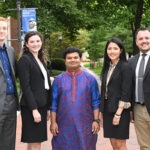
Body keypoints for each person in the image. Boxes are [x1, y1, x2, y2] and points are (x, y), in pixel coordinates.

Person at [50, 47, 101, 150]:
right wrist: (53, 122)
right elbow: (53, 104)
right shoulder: (58, 80)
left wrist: (96, 120)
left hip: (85, 123)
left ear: (80, 59)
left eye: (75, 57)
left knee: (86, 146)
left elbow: (96, 101)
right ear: (65, 60)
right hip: (63, 124)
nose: (72, 60)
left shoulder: (90, 79)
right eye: (69, 58)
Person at [17, 31, 51, 150]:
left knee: (34, 141)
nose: (35, 44)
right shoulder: (25, 60)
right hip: (32, 107)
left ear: (41, 42)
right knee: (36, 142)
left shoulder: (40, 60)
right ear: (26, 44)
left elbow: (45, 85)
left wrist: (47, 108)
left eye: (38, 41)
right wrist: (34, 110)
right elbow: (26, 87)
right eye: (32, 41)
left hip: (41, 105)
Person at [100, 38, 132, 150]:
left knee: (120, 144)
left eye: (115, 48)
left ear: (121, 50)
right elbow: (104, 90)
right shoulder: (107, 67)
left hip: (121, 111)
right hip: (108, 109)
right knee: (113, 143)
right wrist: (101, 111)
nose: (112, 51)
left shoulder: (125, 67)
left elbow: (126, 91)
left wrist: (118, 114)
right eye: (109, 48)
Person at [128, 27, 150, 150]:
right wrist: (130, 109)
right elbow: (128, 87)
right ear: (136, 42)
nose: (144, 41)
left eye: (147, 38)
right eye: (141, 38)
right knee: (145, 145)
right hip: (138, 109)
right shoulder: (131, 62)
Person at [0, 16, 19, 150]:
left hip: (11, 101)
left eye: (4, 28)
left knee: (8, 141)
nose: (1, 31)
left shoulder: (11, 51)